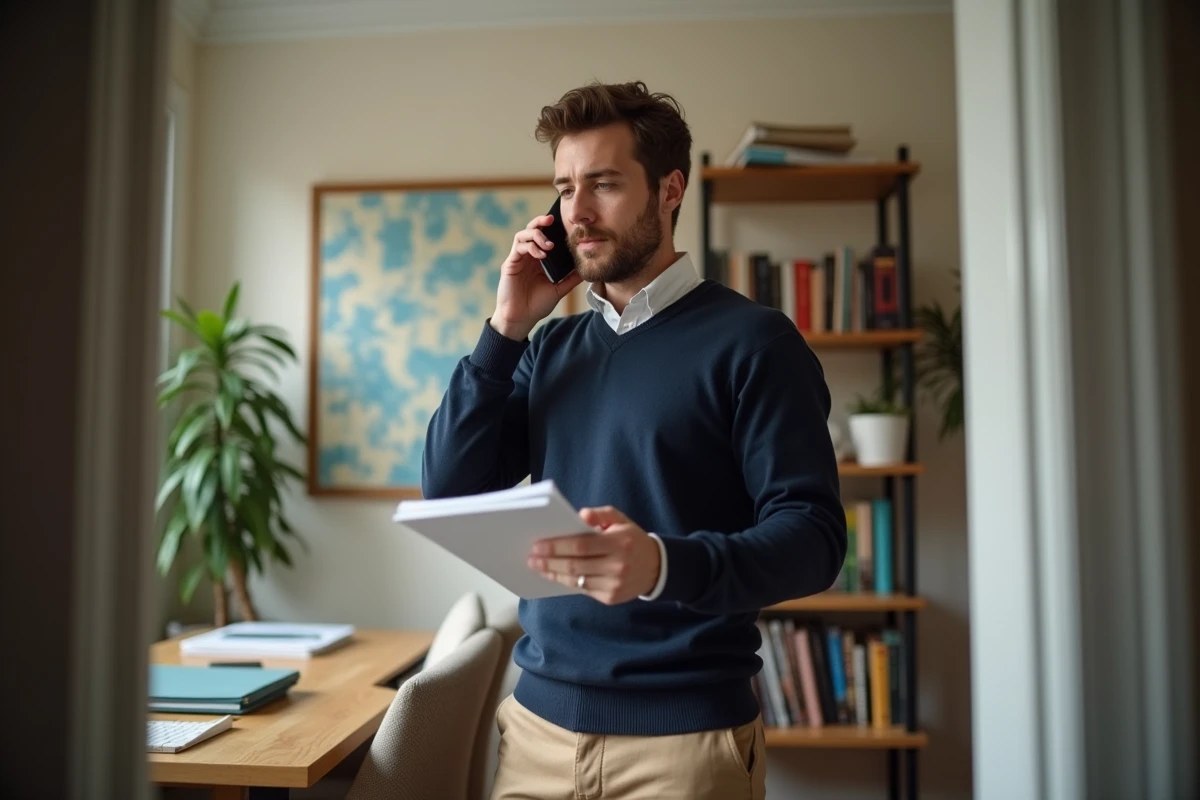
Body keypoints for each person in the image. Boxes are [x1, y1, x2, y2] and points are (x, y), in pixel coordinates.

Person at [422, 80, 846, 800]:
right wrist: (505, 330)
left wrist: (659, 564)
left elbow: (813, 538)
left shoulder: (755, 343)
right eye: (563, 188)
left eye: (605, 184)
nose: (576, 212)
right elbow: (449, 491)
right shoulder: (546, 350)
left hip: (684, 748)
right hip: (534, 733)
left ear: (670, 190)